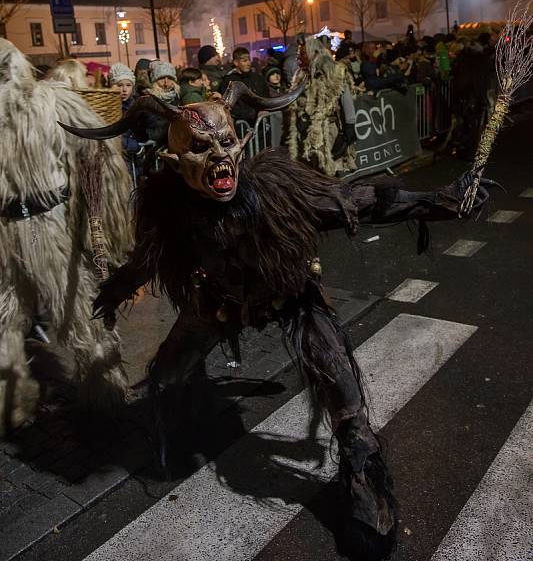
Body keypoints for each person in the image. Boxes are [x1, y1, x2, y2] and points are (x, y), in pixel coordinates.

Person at [64, 83, 494, 561]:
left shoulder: (276, 190)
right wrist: (118, 287)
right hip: (216, 302)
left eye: (227, 143)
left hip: (289, 296)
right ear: (174, 158)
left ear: (241, 142)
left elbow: (362, 201)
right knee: (167, 375)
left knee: (344, 397)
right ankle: (186, 422)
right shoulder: (170, 210)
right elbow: (149, 257)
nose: (220, 159)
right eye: (203, 148)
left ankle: (364, 490)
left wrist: (441, 200)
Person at [0, 39, 132, 433]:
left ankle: (104, 393)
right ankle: (12, 401)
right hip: (5, 234)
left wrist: (105, 223)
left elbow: (100, 154)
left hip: (48, 229)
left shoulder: (52, 102)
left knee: (76, 311)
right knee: (5, 315)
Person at [288, 37, 358, 177]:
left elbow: (346, 100)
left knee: (330, 171)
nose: (299, 58)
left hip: (330, 130)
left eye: (302, 54)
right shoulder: (300, 75)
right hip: (308, 132)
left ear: (313, 53)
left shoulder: (335, 71)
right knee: (314, 172)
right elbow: (294, 101)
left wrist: (350, 125)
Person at [109, 63, 146, 181]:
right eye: (119, 85)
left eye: (128, 85)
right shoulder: (109, 108)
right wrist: (134, 145)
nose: (124, 90)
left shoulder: (137, 104)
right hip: (121, 159)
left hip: (136, 161)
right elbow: (114, 135)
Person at [219, 47, 269, 125]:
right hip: (242, 125)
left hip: (261, 123)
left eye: (249, 59)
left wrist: (263, 109)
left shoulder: (258, 78)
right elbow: (228, 105)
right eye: (245, 61)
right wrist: (250, 114)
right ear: (236, 62)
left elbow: (265, 96)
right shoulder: (228, 81)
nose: (248, 63)